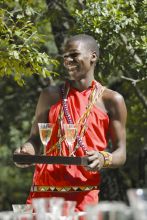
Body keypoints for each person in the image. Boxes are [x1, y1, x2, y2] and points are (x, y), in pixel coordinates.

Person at [14, 34, 127, 211]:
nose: (68, 60)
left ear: (93, 56)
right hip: (44, 190)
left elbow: (121, 152)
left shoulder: (113, 100)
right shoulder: (50, 95)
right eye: (65, 56)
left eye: (74, 54)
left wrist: (103, 158)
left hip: (84, 193)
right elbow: (35, 138)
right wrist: (26, 151)